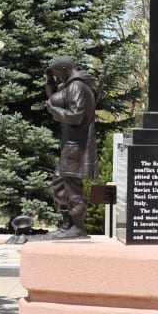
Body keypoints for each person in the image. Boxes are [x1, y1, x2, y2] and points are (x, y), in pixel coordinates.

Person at [43, 56, 98, 239]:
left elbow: (75, 116)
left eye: (57, 73)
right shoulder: (70, 85)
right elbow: (54, 100)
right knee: (59, 183)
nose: (57, 77)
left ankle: (78, 228)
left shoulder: (77, 87)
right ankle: (67, 224)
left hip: (77, 147)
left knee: (73, 188)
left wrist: (54, 112)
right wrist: (49, 80)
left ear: (64, 69)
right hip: (70, 146)